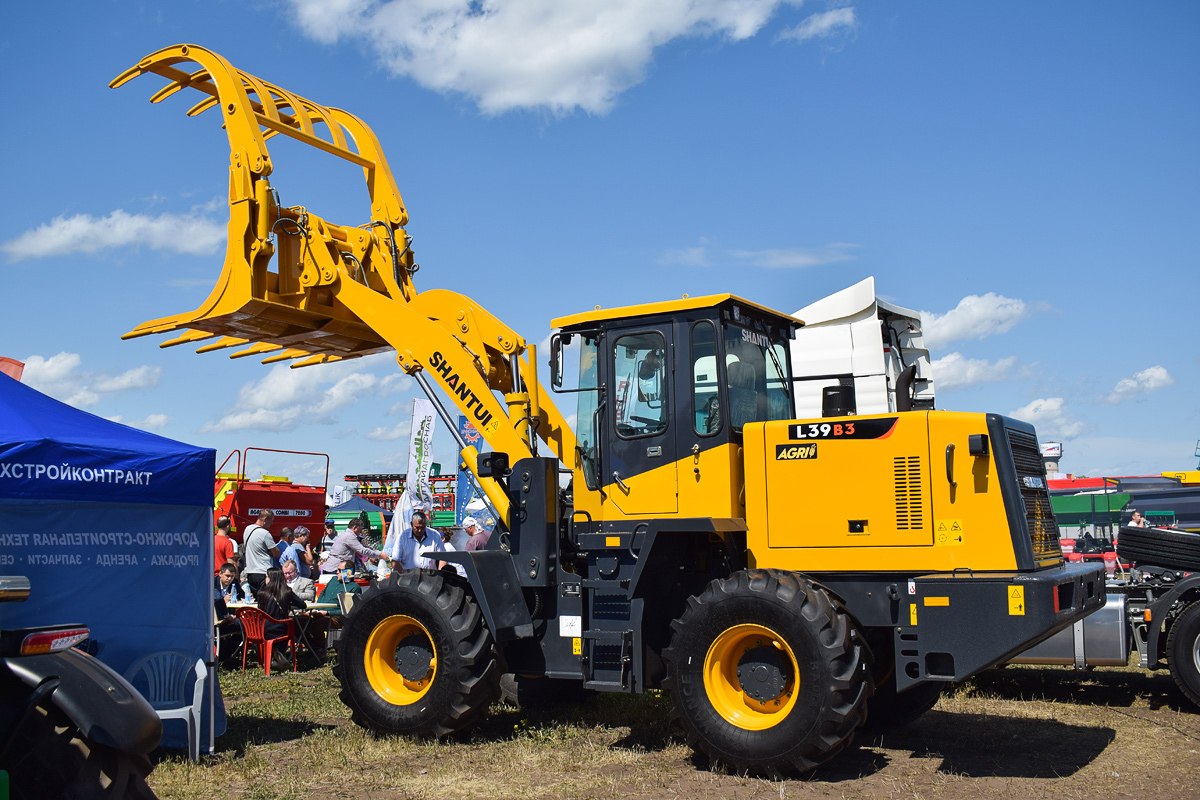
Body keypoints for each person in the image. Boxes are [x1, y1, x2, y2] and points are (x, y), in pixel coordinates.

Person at [320, 517, 388, 575]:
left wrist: (378, 552)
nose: (360, 532)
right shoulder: (349, 536)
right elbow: (363, 550)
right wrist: (380, 554)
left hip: (335, 568)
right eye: (360, 530)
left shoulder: (346, 534)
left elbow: (363, 547)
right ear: (355, 528)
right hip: (335, 570)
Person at [243, 510, 281, 595]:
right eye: (271, 521)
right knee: (265, 600)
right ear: (265, 519)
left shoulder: (247, 529)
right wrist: (269, 551)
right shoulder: (265, 533)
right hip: (263, 573)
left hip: (250, 572)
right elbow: (276, 553)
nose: (271, 524)